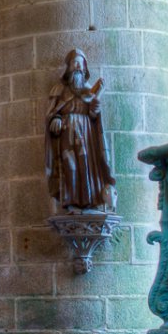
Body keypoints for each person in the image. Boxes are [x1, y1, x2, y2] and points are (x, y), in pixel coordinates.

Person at [45, 49, 116, 213]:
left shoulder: (88, 89)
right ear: (68, 67)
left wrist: (96, 104)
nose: (77, 66)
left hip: (86, 134)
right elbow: (52, 113)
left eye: (80, 62)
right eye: (73, 62)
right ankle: (71, 202)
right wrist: (55, 119)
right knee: (70, 165)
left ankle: (89, 201)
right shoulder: (59, 89)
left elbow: (93, 115)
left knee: (86, 165)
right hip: (68, 132)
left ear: (84, 67)